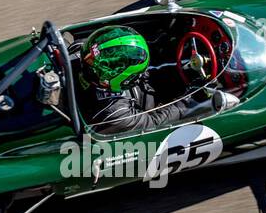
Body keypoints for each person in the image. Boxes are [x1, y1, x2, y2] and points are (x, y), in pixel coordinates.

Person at [76, 25, 234, 134]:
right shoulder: (117, 115)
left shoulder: (83, 59)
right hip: (147, 106)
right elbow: (155, 122)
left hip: (138, 91)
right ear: (122, 80)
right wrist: (191, 98)